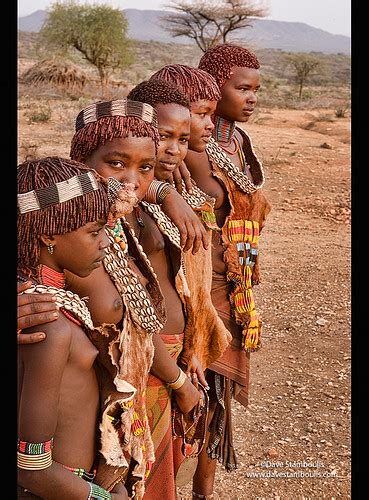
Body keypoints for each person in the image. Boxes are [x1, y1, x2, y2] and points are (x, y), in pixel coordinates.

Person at [152, 52, 272, 499]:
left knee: (213, 401)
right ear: (213, 86)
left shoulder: (234, 143)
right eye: (242, 88)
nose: (251, 98)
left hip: (227, 283)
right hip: (197, 289)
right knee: (194, 396)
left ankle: (202, 489)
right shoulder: (183, 153)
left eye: (256, 90)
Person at [125, 79, 231, 499]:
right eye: (162, 137)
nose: (173, 149)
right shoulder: (114, 206)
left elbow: (183, 283)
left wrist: (192, 351)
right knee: (138, 473)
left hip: (174, 354)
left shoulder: (167, 194)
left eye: (181, 139)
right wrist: (177, 379)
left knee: (163, 471)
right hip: (147, 363)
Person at [17, 156, 128, 499]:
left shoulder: (50, 303)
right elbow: (31, 467)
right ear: (49, 235)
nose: (107, 242)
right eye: (94, 232)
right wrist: (103, 497)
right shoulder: (47, 325)